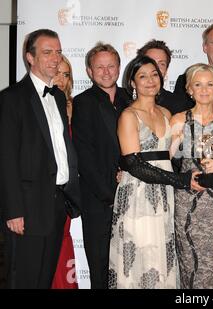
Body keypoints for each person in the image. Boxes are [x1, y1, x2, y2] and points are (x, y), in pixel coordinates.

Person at [0, 29, 81, 288]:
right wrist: (14, 211)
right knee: (23, 279)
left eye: (58, 52)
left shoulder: (57, 97)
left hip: (57, 205)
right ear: (30, 58)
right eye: (47, 52)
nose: (55, 58)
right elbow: (6, 158)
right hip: (26, 209)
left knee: (44, 279)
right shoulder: (12, 98)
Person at [108, 55, 197, 289]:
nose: (150, 80)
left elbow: (176, 153)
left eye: (154, 74)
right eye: (142, 76)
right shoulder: (129, 116)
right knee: (142, 258)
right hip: (138, 196)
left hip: (165, 196)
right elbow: (135, 165)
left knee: (162, 254)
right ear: (132, 83)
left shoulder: (167, 114)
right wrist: (180, 180)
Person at [170, 63, 213, 289]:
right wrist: (175, 142)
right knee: (191, 264)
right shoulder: (178, 120)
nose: (204, 90)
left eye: (210, 84)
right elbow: (164, 161)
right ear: (189, 89)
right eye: (198, 84)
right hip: (187, 203)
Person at [71, 42, 130, 289]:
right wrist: (109, 196)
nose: (106, 72)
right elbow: (84, 156)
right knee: (101, 270)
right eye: (99, 67)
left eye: (111, 66)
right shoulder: (83, 102)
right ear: (89, 71)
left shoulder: (131, 99)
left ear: (119, 67)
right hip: (100, 202)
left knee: (129, 269)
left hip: (133, 201)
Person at [51, 54, 78, 289]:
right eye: (57, 72)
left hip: (68, 191)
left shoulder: (76, 107)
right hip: (45, 193)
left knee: (63, 240)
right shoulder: (40, 106)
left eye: (66, 74)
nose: (61, 79)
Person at [137, 39, 190, 114]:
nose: (156, 68)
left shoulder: (179, 105)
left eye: (161, 64)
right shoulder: (124, 102)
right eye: (150, 62)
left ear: (166, 69)